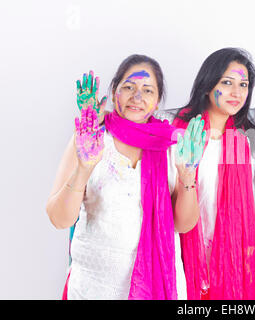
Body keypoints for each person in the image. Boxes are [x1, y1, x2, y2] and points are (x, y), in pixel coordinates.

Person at [46, 54, 206, 300]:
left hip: (157, 287)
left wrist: (187, 176)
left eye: (148, 90)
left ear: (158, 99)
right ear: (113, 92)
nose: (137, 97)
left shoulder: (173, 146)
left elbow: (183, 225)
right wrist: (83, 169)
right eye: (128, 87)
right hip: (93, 288)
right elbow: (58, 219)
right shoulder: (90, 139)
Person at [154, 48, 255, 299]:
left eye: (243, 85)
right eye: (227, 82)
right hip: (182, 253)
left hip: (233, 258)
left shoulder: (246, 140)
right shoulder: (177, 132)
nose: (237, 92)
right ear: (207, 85)